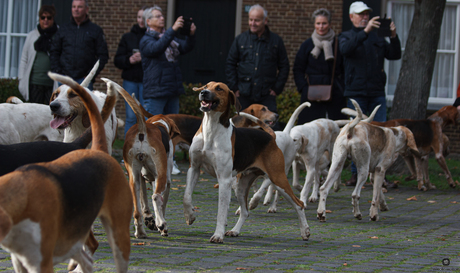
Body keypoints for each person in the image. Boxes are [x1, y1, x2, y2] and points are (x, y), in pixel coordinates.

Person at [340, 1, 401, 187]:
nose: (365, 17)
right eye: (361, 14)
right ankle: (355, 175)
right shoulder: (346, 36)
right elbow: (345, 50)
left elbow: (394, 54)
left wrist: (393, 36)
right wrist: (365, 32)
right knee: (355, 133)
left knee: (381, 133)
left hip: (376, 93)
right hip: (356, 93)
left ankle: (380, 175)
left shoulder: (377, 38)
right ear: (351, 17)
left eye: (367, 14)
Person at [226, 4, 289, 122]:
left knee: (269, 130)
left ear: (265, 21)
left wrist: (276, 88)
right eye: (250, 19)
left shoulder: (276, 41)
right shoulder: (240, 40)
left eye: (257, 20)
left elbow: (284, 66)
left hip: (267, 95)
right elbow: (230, 64)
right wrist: (234, 88)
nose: (252, 23)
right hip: (244, 94)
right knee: (241, 128)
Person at [293, 8, 346, 124]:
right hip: (311, 94)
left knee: (334, 128)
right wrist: (303, 88)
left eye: (324, 23)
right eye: (318, 23)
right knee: (309, 128)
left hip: (334, 94)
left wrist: (341, 87)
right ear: (314, 24)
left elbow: (344, 68)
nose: (321, 27)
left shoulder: (338, 43)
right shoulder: (307, 45)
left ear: (330, 24)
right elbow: (298, 68)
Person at [140, 6, 196, 116]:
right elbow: (157, 48)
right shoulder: (146, 40)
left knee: (172, 127)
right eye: (158, 16)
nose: (162, 18)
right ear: (148, 21)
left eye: (162, 16)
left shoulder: (169, 38)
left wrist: (191, 35)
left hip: (172, 90)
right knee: (154, 127)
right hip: (156, 92)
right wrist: (173, 30)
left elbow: (185, 47)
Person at [50, 0, 108, 90]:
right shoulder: (64, 29)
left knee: (83, 104)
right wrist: (58, 72)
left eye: (79, 7)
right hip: (64, 79)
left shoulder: (95, 30)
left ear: (86, 9)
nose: (76, 9)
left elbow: (103, 56)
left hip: (84, 80)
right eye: (74, 7)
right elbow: (54, 51)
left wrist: (90, 75)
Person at [114, 7, 147, 137]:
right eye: (139, 17)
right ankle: (128, 148)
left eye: (144, 18)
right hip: (130, 81)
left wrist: (144, 59)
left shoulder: (153, 37)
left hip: (146, 81)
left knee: (145, 116)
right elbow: (117, 60)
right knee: (131, 116)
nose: (141, 20)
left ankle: (146, 146)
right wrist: (130, 60)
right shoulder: (127, 37)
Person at [18, 5, 58, 104]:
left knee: (52, 114)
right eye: (43, 17)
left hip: (52, 84)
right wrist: (21, 79)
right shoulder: (31, 36)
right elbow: (24, 59)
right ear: (39, 19)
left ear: (53, 19)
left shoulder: (59, 35)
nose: (46, 20)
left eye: (49, 18)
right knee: (34, 114)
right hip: (34, 82)